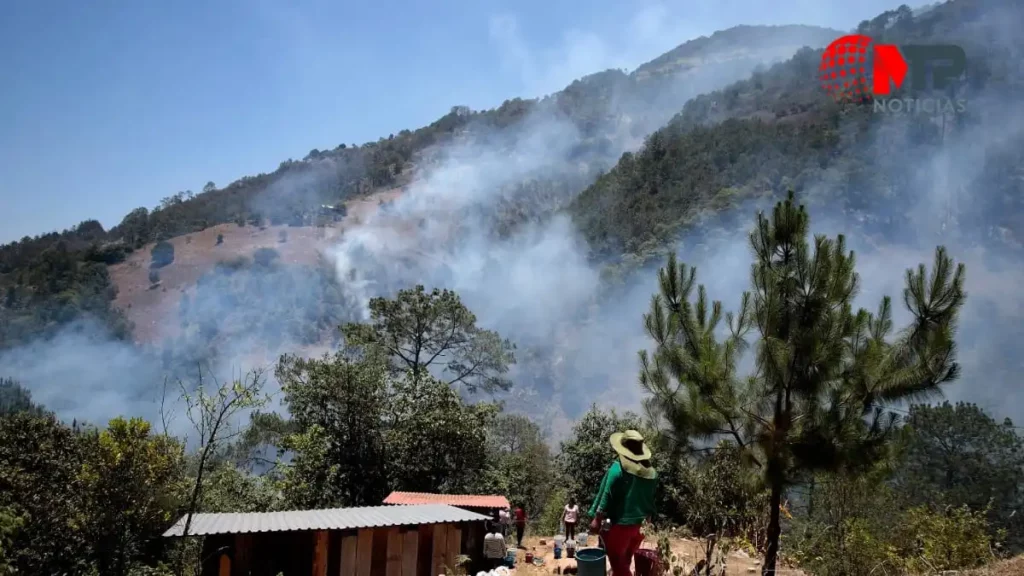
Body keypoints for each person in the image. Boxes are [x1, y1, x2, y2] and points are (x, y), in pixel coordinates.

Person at [588, 429, 658, 576]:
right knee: (626, 559)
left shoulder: (617, 468)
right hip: (641, 526)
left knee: (618, 564)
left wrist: (597, 519)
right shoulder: (651, 473)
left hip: (620, 526)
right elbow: (650, 500)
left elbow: (607, 494)